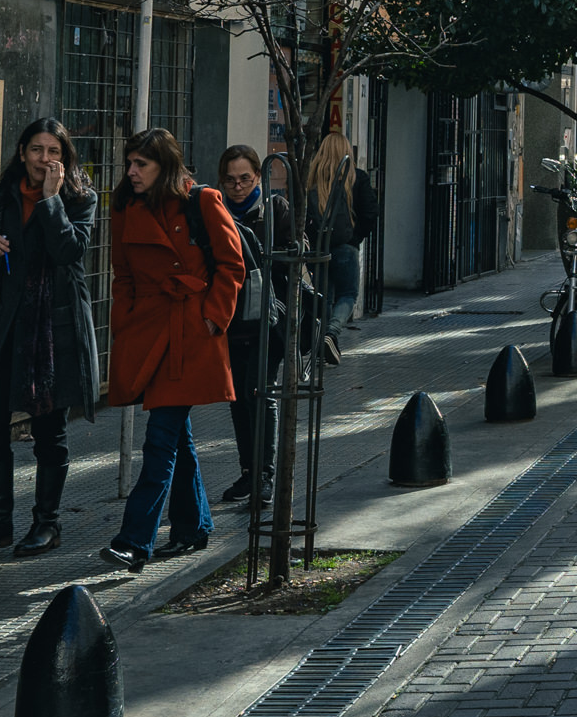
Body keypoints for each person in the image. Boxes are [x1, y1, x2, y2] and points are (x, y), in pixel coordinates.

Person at [0, 118, 100, 560]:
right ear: (22, 153)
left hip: (51, 328)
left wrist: (52, 201)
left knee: (48, 429)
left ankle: (46, 524)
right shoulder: (6, 193)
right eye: (37, 150)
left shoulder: (80, 199)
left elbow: (69, 252)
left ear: (65, 158)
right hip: (4, 322)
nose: (45, 160)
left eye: (54, 152)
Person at [102, 127, 243, 571]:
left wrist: (212, 318)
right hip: (147, 332)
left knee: (160, 438)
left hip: (189, 333)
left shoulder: (201, 201)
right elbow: (121, 273)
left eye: (141, 164)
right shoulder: (124, 204)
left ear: (164, 165)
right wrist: (124, 322)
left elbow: (232, 263)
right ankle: (193, 526)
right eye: (129, 163)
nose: (131, 171)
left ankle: (133, 540)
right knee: (176, 436)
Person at [217, 143, 299, 506]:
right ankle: (249, 473)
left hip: (269, 319)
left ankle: (265, 475)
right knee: (238, 398)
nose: (238, 186)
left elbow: (292, 259)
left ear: (258, 177)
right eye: (231, 180)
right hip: (233, 321)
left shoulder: (274, 209)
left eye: (245, 179)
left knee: (260, 392)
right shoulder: (215, 212)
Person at [303, 132, 379, 362]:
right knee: (348, 294)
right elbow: (370, 214)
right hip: (346, 247)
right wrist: (355, 239)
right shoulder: (357, 178)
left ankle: (322, 341)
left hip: (318, 249)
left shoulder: (312, 180)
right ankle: (331, 332)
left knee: (324, 297)